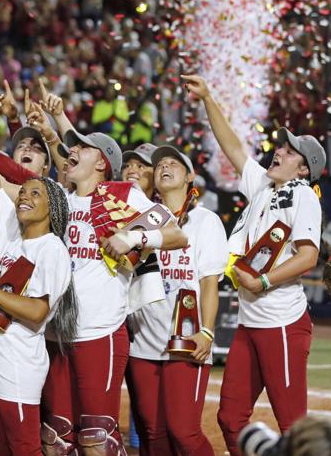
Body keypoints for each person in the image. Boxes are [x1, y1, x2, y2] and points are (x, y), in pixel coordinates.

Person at [181, 75, 331, 455]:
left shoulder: (302, 195)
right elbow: (232, 146)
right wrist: (208, 97)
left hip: (281, 323)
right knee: (230, 418)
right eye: (281, 145)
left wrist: (262, 281)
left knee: (293, 426)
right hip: (251, 322)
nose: (279, 150)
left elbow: (308, 256)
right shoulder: (264, 186)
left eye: (290, 151)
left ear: (304, 170)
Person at [39, 115, 187, 454]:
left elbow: (177, 234)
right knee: (55, 439)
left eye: (82, 147)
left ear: (102, 162)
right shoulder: (59, 198)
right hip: (55, 331)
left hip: (99, 331)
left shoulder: (122, 195)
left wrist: (134, 237)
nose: (72, 151)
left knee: (96, 438)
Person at [0, 90, 75, 455]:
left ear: (52, 208)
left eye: (35, 194)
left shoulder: (52, 250)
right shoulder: (11, 230)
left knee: (24, 449)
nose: (24, 196)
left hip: (18, 370)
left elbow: (37, 311)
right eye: (23, 192)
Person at [126, 145, 228, 456]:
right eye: (159, 165)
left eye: (173, 163)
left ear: (190, 177)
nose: (165, 168)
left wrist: (207, 331)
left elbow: (209, 283)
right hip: (143, 341)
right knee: (153, 432)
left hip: (185, 341)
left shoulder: (206, 221)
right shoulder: (143, 219)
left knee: (184, 431)